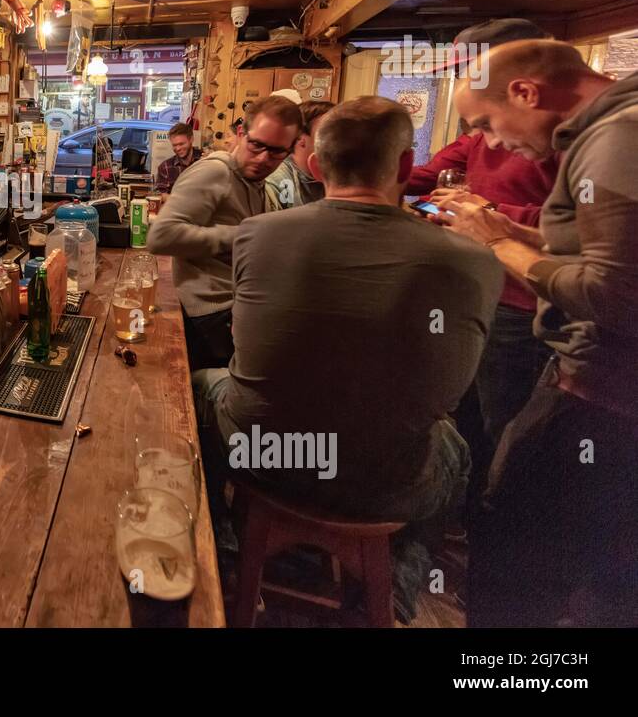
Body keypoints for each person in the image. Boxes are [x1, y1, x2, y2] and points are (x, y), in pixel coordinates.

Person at [202, 97, 502, 620]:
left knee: (202, 383)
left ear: (315, 165)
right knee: (454, 444)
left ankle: (224, 546)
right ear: (408, 166)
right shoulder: (475, 260)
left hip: (267, 457)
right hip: (387, 481)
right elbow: (450, 391)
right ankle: (396, 588)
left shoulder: (259, 233)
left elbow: (245, 343)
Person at [441, 39, 638, 626]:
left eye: (488, 124)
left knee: (514, 568)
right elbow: (599, 253)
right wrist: (512, 230)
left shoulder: (617, 137)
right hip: (607, 396)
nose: (494, 144)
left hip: (601, 394)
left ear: (524, 91)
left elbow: (615, 295)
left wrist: (496, 244)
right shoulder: (609, 129)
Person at [406, 18, 559, 497]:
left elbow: (578, 226)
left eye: (469, 68)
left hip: (523, 303)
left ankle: (494, 520)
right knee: (464, 408)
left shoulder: (556, 134)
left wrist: (489, 214)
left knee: (508, 426)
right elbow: (422, 180)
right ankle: (463, 510)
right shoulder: (478, 136)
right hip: (476, 290)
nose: (462, 78)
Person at [146, 94, 301, 370]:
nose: (264, 158)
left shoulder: (255, 181)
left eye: (277, 151)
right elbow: (161, 236)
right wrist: (244, 235)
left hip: (235, 309)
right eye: (256, 145)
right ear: (241, 134)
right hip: (210, 315)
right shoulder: (215, 172)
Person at [264, 100, 334, 210]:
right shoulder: (278, 181)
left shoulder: (338, 175)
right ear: (300, 137)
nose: (336, 141)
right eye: (326, 133)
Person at [154, 122, 203, 193]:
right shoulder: (165, 167)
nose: (178, 148)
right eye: (174, 145)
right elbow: (160, 194)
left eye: (181, 144)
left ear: (191, 139)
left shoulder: (205, 160)